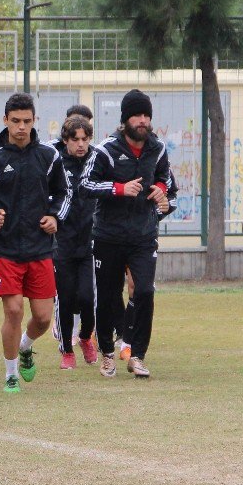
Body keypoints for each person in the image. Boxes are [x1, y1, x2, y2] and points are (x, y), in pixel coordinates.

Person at [0, 92, 71, 393]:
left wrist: (54, 218)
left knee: (43, 317)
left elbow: (64, 194)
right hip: (5, 249)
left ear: (34, 120)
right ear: (5, 121)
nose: (21, 127)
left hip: (39, 248)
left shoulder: (49, 157)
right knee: (13, 311)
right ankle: (11, 373)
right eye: (15, 121)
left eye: (26, 121)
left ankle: (25, 347)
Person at [80, 89, 174, 379]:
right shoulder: (106, 150)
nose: (143, 121)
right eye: (137, 115)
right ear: (125, 120)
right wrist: (118, 189)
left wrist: (162, 192)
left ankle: (137, 355)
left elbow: (167, 181)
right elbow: (85, 185)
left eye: (147, 115)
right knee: (108, 296)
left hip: (143, 235)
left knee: (145, 291)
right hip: (108, 235)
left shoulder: (157, 149)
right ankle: (107, 353)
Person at [52, 114, 99, 369]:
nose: (80, 144)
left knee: (88, 298)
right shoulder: (56, 164)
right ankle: (66, 351)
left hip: (90, 242)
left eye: (85, 138)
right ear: (66, 140)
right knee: (66, 298)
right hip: (62, 243)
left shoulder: (97, 160)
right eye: (75, 139)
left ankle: (85, 337)